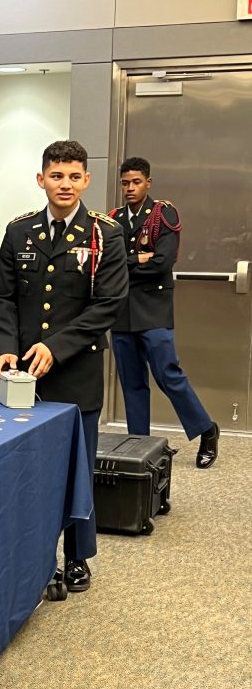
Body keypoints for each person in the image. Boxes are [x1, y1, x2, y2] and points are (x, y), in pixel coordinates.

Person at [0, 140, 128, 592]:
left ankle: (77, 556)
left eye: (73, 176)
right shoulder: (18, 231)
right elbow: (2, 298)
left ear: (86, 180)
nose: (64, 184)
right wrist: (6, 347)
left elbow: (108, 304)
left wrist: (58, 345)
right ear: (41, 179)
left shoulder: (105, 235)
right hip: (22, 375)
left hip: (75, 372)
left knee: (75, 469)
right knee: (27, 467)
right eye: (56, 175)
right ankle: (30, 553)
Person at [110, 157, 219, 468]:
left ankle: (207, 430)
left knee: (167, 374)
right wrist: (138, 259)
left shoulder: (163, 213)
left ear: (148, 183)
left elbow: (162, 262)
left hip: (154, 309)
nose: (130, 188)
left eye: (136, 182)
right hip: (122, 309)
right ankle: (140, 447)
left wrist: (135, 262)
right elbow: (109, 263)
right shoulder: (115, 218)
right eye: (125, 183)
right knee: (131, 382)